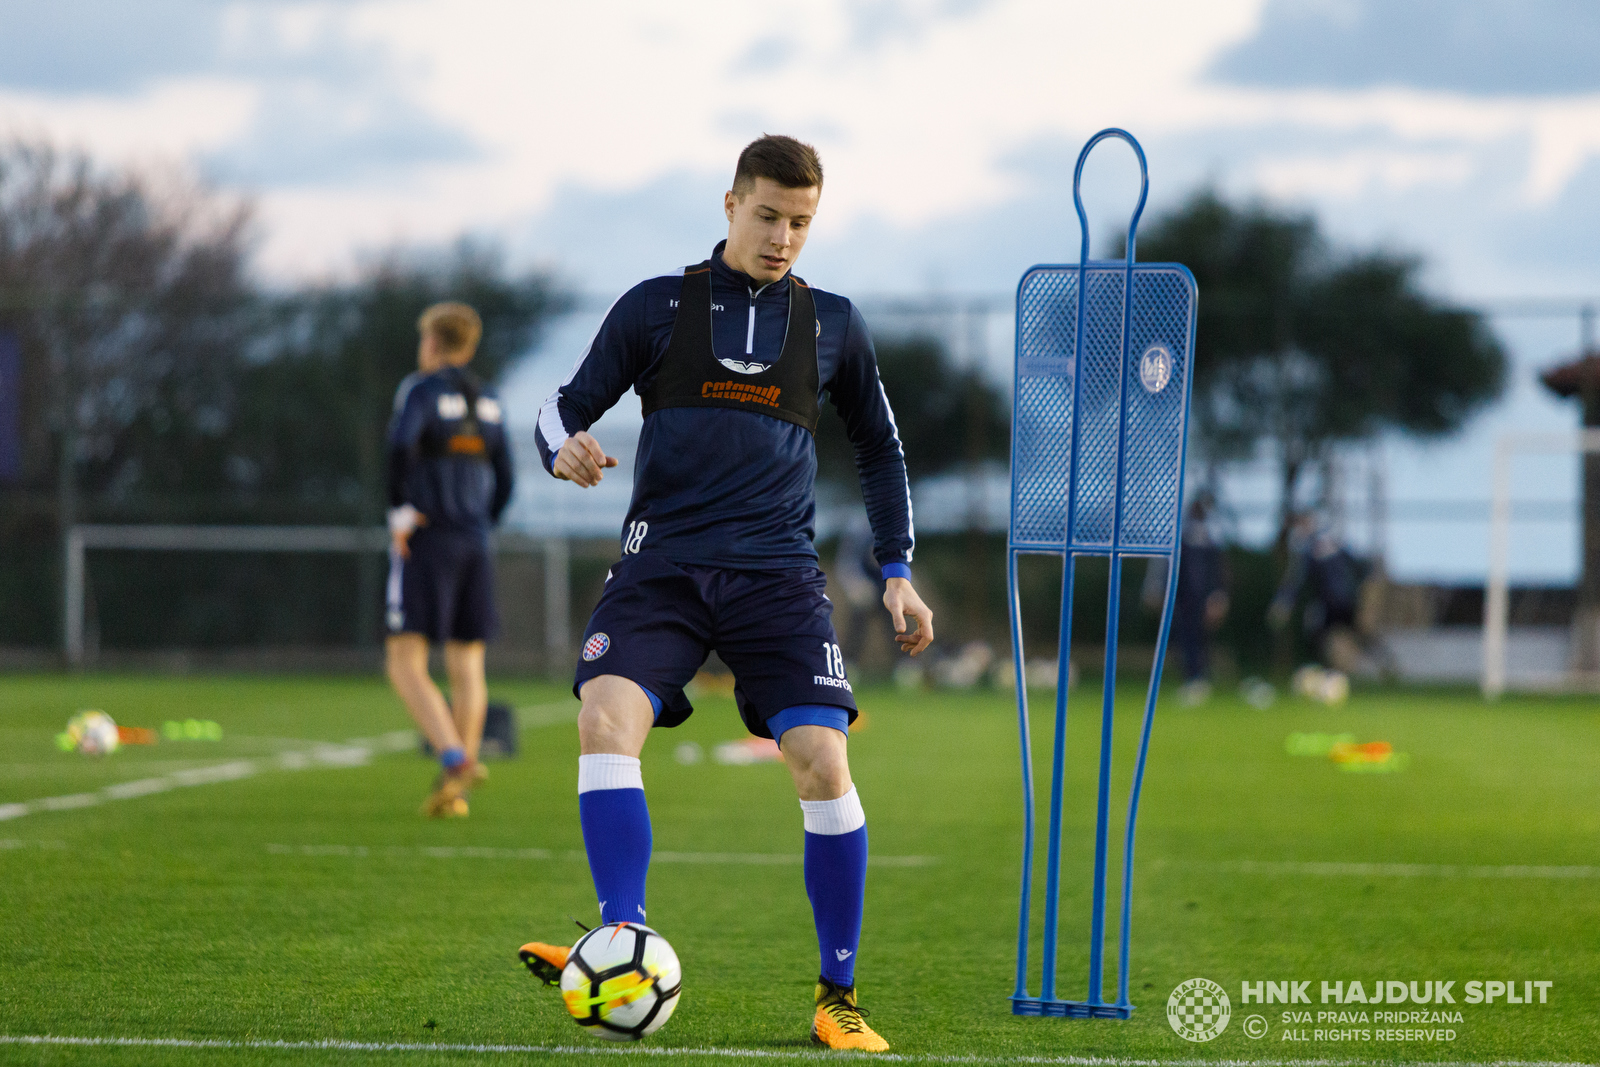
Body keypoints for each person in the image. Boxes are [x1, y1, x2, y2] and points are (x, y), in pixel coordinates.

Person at [518, 135, 932, 1052]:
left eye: (802, 222)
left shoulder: (833, 322)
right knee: (603, 719)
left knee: (825, 760)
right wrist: (563, 447)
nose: (785, 237)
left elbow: (880, 446)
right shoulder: (657, 305)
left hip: (778, 576)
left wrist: (896, 568)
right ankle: (620, 932)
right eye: (769, 215)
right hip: (660, 566)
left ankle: (838, 995)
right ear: (730, 204)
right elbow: (557, 408)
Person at [384, 302, 514, 818]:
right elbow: (505, 480)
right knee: (467, 664)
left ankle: (454, 756)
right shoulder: (491, 400)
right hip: (476, 541)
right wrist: (485, 522)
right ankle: (453, 792)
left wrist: (399, 511)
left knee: (405, 660)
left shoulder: (421, 390)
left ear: (433, 343)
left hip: (428, 538)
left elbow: (399, 446)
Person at [1144, 495, 1230, 705]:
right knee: (1186, 639)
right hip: (1183, 599)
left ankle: (1199, 680)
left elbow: (1216, 571)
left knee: (1197, 639)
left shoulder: (1209, 538)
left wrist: (1217, 596)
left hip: (1197, 599)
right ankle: (1194, 679)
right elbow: (1169, 567)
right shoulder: (1183, 536)